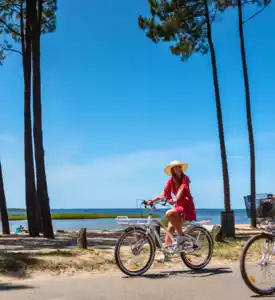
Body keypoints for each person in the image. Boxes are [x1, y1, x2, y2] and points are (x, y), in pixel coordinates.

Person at [146, 160, 196, 261]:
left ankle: (181, 236)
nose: (177, 169)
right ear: (172, 170)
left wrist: (176, 198)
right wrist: (152, 200)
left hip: (186, 206)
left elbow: (182, 188)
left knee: (169, 213)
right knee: (169, 231)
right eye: (175, 167)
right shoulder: (170, 181)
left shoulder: (185, 178)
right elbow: (164, 193)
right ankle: (166, 255)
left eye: (179, 167)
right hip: (178, 206)